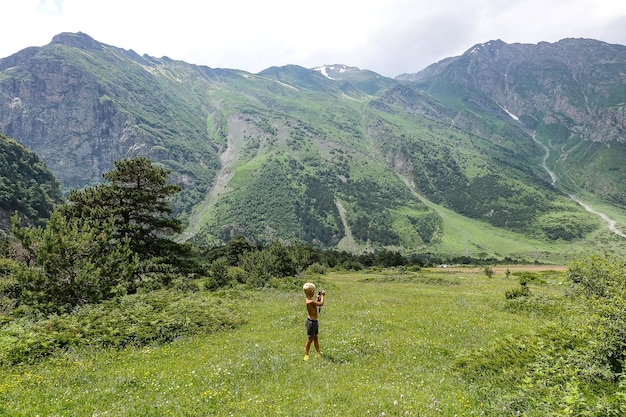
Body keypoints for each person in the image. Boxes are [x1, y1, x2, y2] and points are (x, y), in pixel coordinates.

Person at [303, 282, 325, 361]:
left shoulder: (309, 300)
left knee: (316, 337)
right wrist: (322, 296)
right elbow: (321, 304)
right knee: (310, 339)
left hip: (314, 322)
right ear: (312, 292)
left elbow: (315, 305)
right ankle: (306, 354)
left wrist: (317, 298)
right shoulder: (310, 302)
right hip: (311, 323)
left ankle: (318, 352)